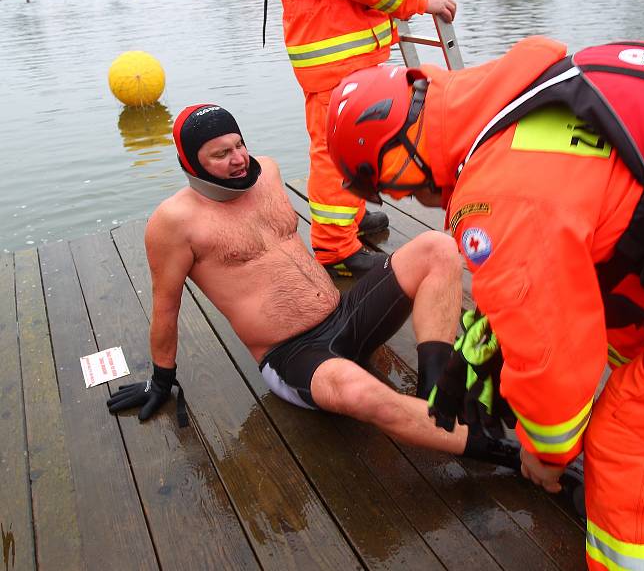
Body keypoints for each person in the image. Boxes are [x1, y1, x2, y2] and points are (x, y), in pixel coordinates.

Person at [325, 28, 644, 569]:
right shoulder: (529, 94)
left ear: (393, 158)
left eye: (398, 188)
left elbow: (554, 357)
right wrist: (500, 333)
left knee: (629, 460)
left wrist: (545, 451)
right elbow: (598, 243)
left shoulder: (499, 197)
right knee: (620, 373)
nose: (414, 200)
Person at [105, 103, 519, 469]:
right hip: (294, 356)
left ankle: (436, 379)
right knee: (361, 394)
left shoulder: (267, 172)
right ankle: (506, 454)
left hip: (345, 313)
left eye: (238, 145)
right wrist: (161, 380)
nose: (238, 159)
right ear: (191, 164)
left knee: (438, 247)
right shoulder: (173, 223)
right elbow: (165, 306)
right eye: (220, 154)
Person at [270, 0, 456, 277]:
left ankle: (349, 220)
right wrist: (423, 0)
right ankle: (334, 249)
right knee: (335, 150)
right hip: (336, 45)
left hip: (328, 40)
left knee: (346, 140)